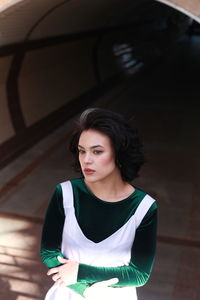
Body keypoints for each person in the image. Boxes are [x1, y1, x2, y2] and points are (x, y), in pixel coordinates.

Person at [40, 107, 158, 300]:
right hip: (68, 294)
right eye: (81, 151)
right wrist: (83, 289)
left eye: (97, 152)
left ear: (119, 154)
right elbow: (48, 252)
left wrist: (80, 271)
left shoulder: (144, 207)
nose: (86, 160)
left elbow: (139, 274)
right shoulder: (65, 193)